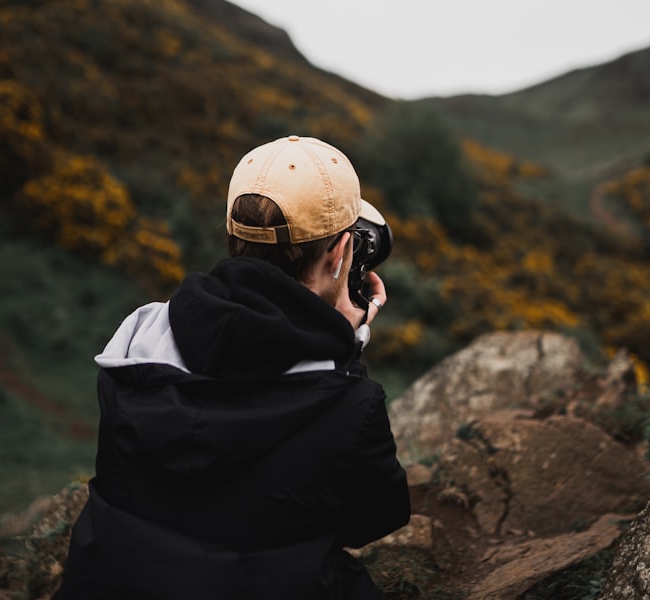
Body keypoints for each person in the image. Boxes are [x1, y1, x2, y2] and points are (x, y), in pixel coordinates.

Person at [58, 135, 411, 599]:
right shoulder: (347, 399)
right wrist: (346, 347)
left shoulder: (137, 340)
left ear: (235, 233)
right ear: (339, 254)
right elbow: (373, 517)